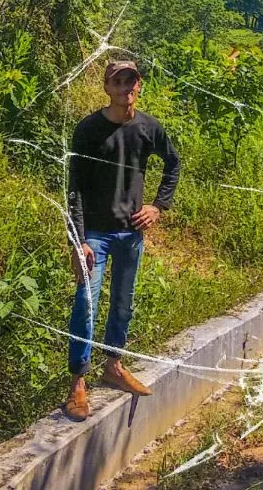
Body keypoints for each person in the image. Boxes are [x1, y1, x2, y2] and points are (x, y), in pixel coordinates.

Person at [65, 60, 180, 421]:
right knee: (86, 304)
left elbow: (173, 163)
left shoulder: (148, 127)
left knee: (123, 304)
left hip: (131, 234)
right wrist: (78, 240)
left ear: (139, 85)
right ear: (106, 87)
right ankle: (78, 383)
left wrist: (158, 206)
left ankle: (113, 366)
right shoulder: (89, 129)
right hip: (95, 236)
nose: (125, 87)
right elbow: (75, 188)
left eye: (130, 80)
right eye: (118, 81)